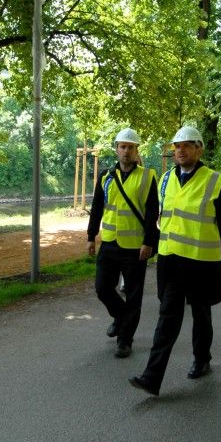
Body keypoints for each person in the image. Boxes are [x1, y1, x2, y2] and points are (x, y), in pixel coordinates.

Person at [129, 126, 221, 396]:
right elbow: (161, 218)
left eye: (187, 145)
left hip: (201, 263)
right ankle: (152, 378)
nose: (180, 150)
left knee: (201, 315)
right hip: (171, 261)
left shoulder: (217, 182)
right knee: (167, 319)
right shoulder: (165, 180)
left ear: (199, 149)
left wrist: (211, 249)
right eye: (177, 146)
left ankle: (202, 358)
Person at [87, 128, 159, 358]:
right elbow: (97, 207)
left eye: (131, 147)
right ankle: (120, 317)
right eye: (122, 147)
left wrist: (148, 241)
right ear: (117, 149)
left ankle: (125, 340)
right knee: (102, 288)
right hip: (109, 243)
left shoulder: (148, 176)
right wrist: (91, 236)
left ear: (137, 150)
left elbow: (151, 211)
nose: (126, 151)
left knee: (134, 295)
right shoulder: (106, 177)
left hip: (136, 246)